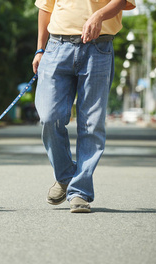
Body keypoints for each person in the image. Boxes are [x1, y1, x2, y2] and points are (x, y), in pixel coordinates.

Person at [32, 0, 136, 213]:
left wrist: (99, 15)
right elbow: (45, 7)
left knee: (91, 123)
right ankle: (66, 176)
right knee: (49, 116)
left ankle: (79, 192)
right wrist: (40, 49)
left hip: (98, 48)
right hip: (56, 47)